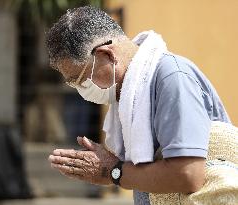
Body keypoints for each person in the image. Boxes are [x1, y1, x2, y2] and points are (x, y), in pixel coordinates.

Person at [46, 6, 231, 205]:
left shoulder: (172, 78)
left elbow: (187, 174)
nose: (81, 90)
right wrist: (115, 168)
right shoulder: (129, 94)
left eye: (80, 80)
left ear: (107, 55)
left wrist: (114, 171)